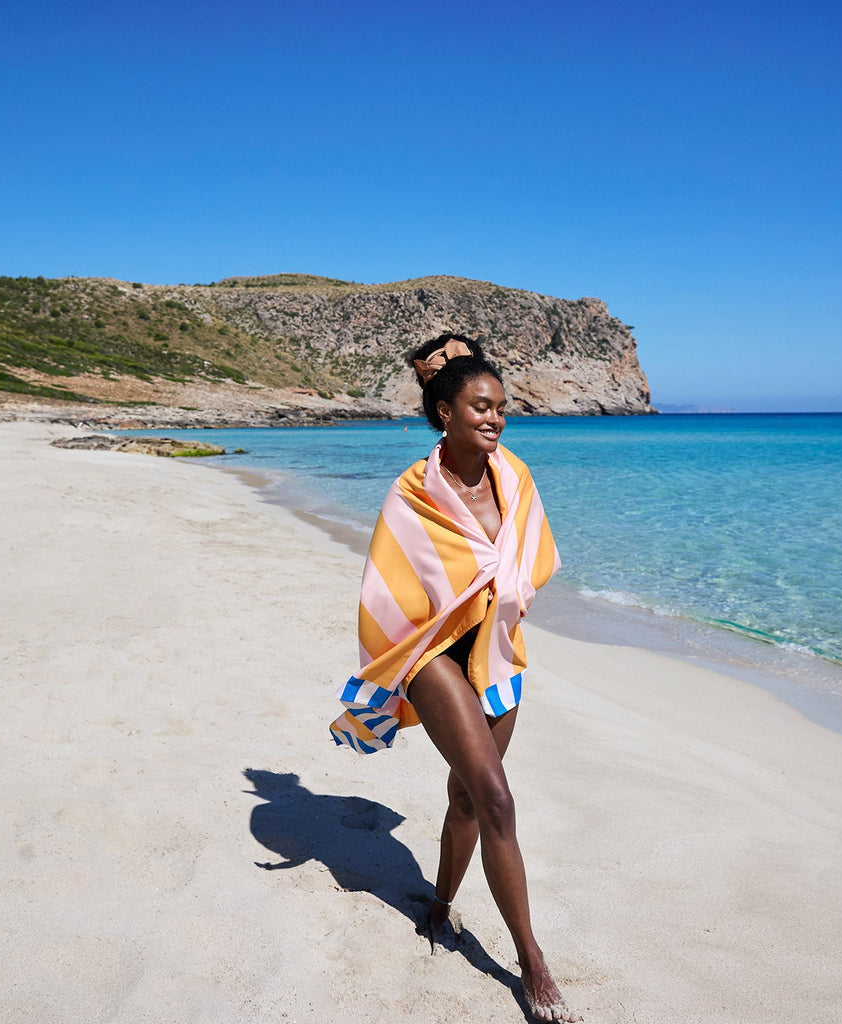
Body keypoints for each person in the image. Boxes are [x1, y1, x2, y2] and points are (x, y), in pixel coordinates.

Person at [330, 334, 581, 1022]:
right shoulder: (413, 491)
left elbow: (535, 555)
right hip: (431, 654)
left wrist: (503, 590)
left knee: (468, 800)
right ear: (444, 412)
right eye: (479, 406)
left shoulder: (515, 477)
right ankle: (531, 961)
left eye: (502, 407)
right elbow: (385, 588)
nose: (495, 418)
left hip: (496, 651)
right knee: (497, 798)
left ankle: (439, 907)